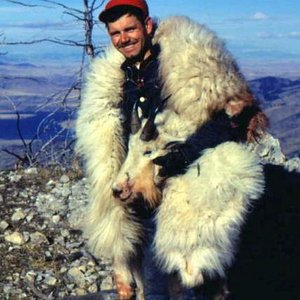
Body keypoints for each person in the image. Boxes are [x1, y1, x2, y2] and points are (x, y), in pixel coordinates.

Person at [76, 0, 267, 299]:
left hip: (189, 191)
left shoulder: (182, 63)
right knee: (154, 284)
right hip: (144, 195)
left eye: (130, 29)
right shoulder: (119, 79)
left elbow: (225, 116)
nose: (123, 38)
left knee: (197, 281)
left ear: (147, 26)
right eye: (115, 33)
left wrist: (185, 154)